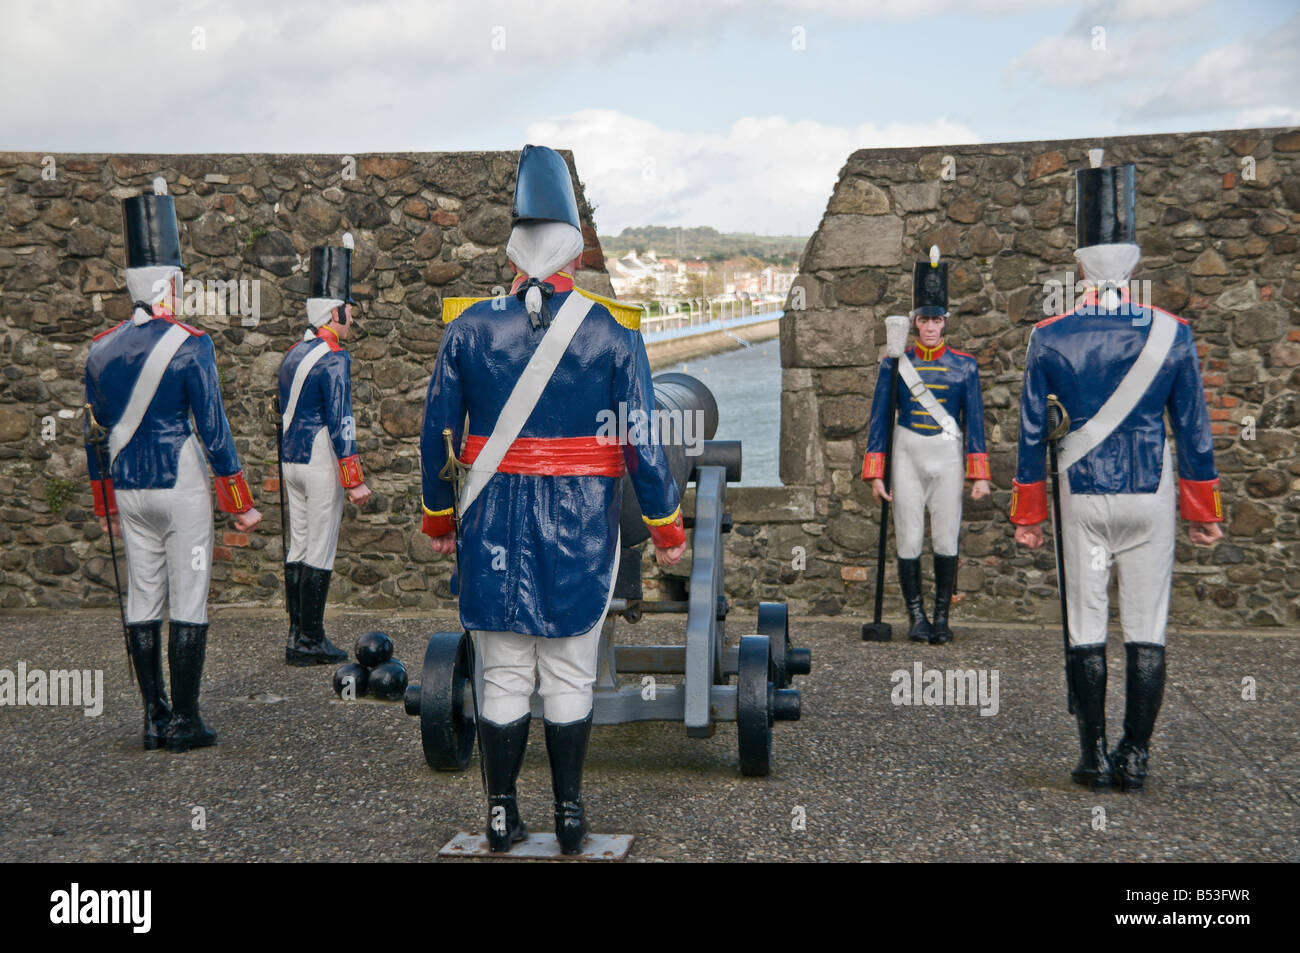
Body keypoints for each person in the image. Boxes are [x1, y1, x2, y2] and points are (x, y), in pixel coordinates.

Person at [420, 145, 686, 854]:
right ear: (571, 238)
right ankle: (570, 815)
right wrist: (665, 524)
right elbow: (642, 439)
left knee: (504, 668)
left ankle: (501, 816)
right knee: (569, 667)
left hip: (491, 516)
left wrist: (439, 518)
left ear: (513, 241)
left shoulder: (467, 326)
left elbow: (437, 432)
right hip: (579, 523)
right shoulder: (615, 330)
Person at [1010, 156, 1224, 792]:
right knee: (1146, 628)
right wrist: (1204, 512)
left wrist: (1027, 515)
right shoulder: (1173, 333)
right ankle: (1136, 756)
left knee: (1086, 626)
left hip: (1082, 496)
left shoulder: (1049, 338)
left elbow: (1028, 433)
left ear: (1080, 267)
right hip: (1150, 493)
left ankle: (1093, 754)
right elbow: (1194, 429)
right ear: (1132, 265)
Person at [84, 179, 261, 752]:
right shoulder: (192, 343)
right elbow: (213, 428)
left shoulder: (100, 349)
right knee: (188, 597)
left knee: (142, 596)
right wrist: (240, 503)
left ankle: (152, 716)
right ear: (170, 283)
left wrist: (103, 500)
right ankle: (185, 719)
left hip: (129, 486)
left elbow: (95, 433)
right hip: (181, 484)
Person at [861, 247, 991, 644]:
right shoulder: (894, 364)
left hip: (947, 455)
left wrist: (979, 474)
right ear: (915, 323)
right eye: (924, 320)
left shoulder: (965, 366)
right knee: (910, 537)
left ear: (944, 323)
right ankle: (915, 617)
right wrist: (875, 472)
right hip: (907, 453)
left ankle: (941, 617)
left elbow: (976, 423)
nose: (930, 327)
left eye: (936, 320)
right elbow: (880, 418)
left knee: (947, 536)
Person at [276, 233, 371, 666]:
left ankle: (297, 634)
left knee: (297, 545)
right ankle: (310, 640)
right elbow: (341, 420)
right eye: (348, 309)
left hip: (290, 459)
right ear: (336, 312)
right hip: (318, 460)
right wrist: (354, 480)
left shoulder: (294, 353)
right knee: (319, 548)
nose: (352, 316)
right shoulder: (335, 359)